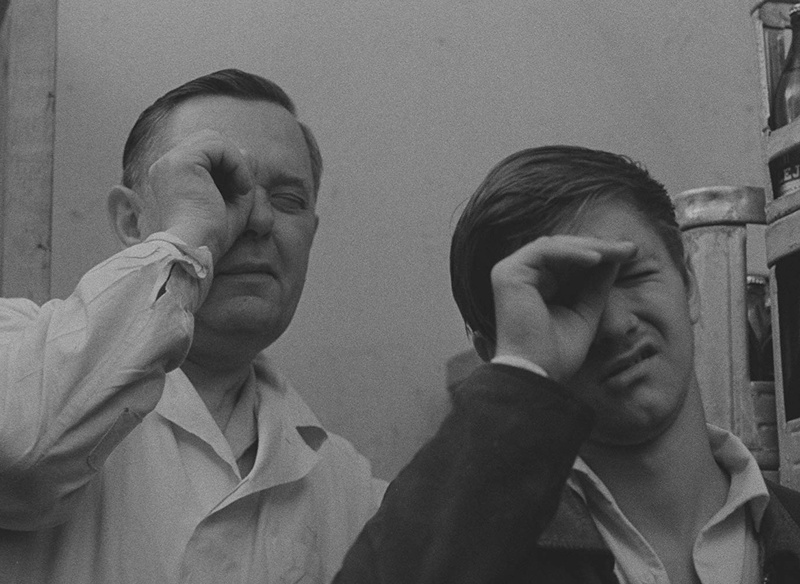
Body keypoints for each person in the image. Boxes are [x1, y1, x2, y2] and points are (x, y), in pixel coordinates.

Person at [333, 146, 800, 583]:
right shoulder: (476, 552)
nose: (614, 323)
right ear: (496, 356)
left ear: (689, 282)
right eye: (561, 301)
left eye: (633, 274)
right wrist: (522, 377)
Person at [0, 69, 385, 584]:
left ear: (311, 233)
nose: (259, 221)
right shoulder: (16, 346)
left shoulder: (349, 489)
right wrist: (185, 238)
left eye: (289, 200)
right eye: (218, 187)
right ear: (132, 221)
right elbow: (21, 455)